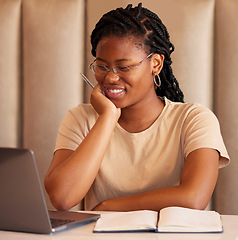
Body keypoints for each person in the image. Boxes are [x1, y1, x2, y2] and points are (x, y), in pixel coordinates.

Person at [44, 3, 230, 211]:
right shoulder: (81, 118)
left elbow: (194, 198)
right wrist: (107, 118)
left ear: (156, 64)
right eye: (102, 66)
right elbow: (61, 197)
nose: (111, 78)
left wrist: (108, 206)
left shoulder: (194, 120)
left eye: (124, 67)